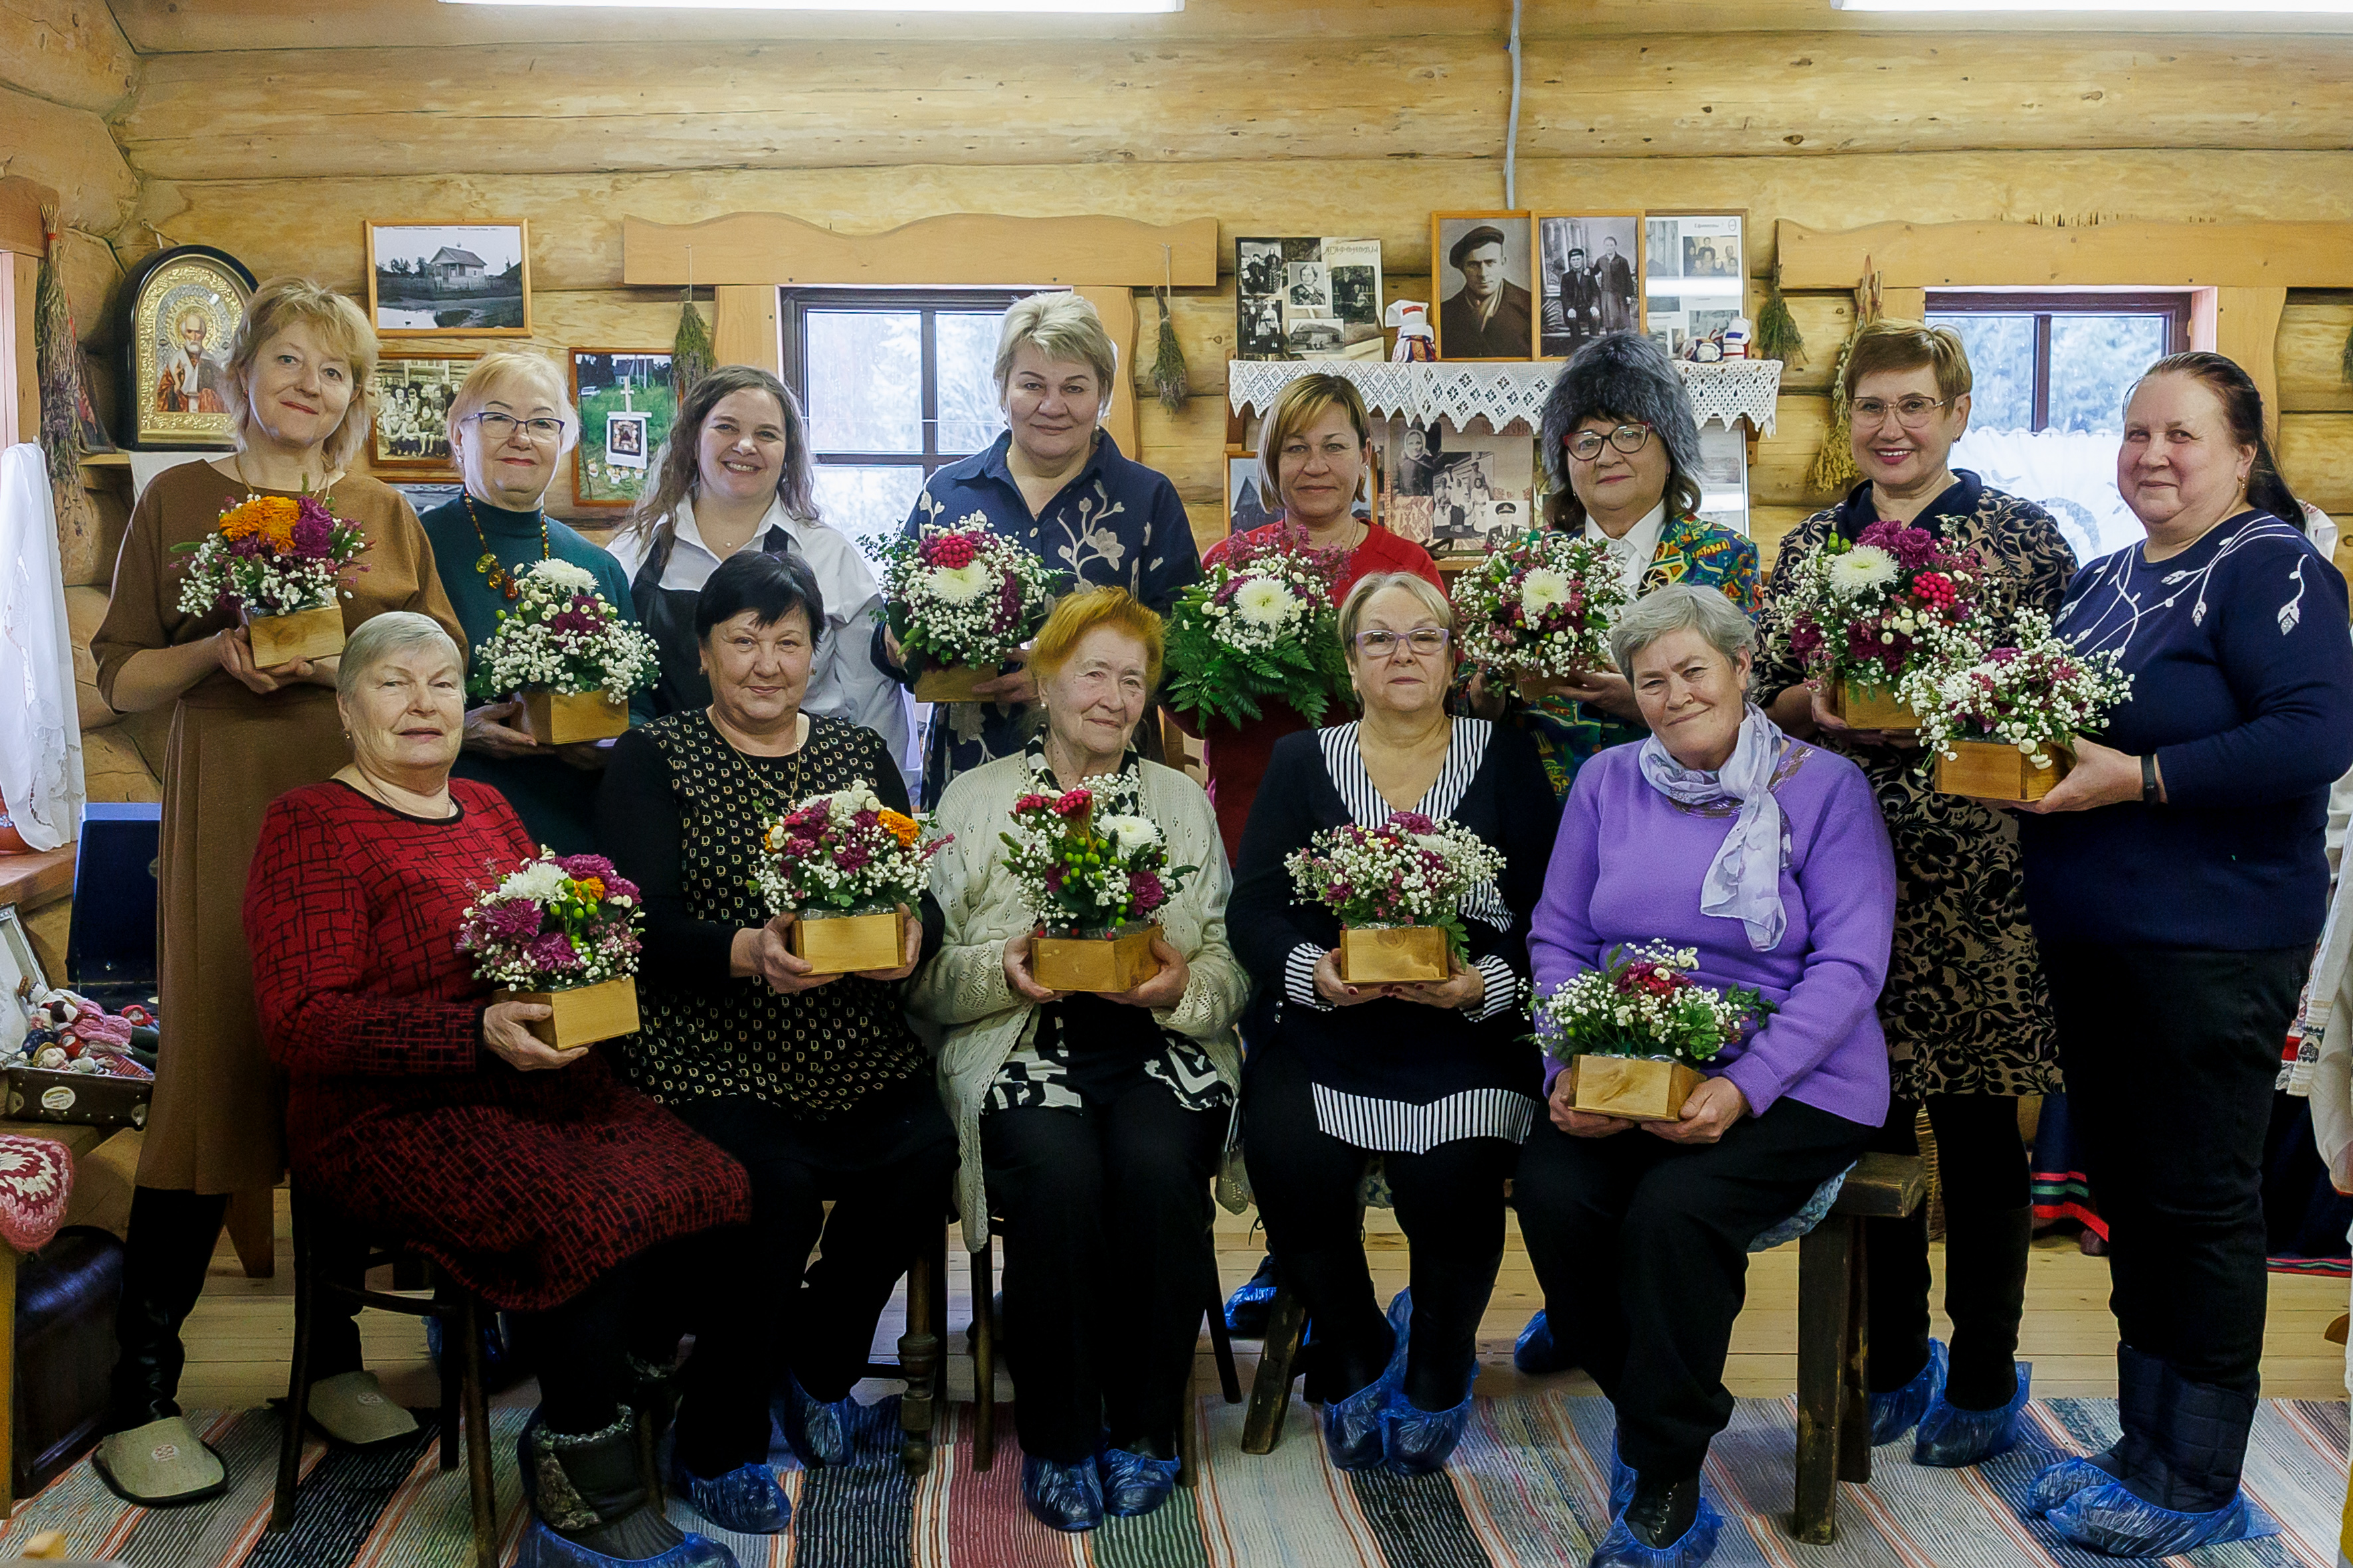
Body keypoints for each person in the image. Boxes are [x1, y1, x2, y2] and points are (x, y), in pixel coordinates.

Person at [243, 612, 751, 1568]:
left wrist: (573, 992)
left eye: (442, 682)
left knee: (711, 1181)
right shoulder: (308, 822)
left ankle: (599, 1402)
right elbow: (299, 1020)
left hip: (527, 1078)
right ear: (348, 710)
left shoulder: (486, 807)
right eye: (394, 683)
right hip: (381, 1112)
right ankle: (581, 1496)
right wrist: (472, 1031)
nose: (423, 703)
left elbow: (541, 944)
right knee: (585, 1211)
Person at [88, 277, 466, 1505]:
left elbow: (438, 662)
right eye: (291, 361)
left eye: (337, 371)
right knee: (213, 1078)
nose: (313, 386)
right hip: (229, 823)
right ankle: (140, 1392)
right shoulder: (177, 501)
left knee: (342, 1076)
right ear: (238, 372)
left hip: (360, 826)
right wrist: (220, 650)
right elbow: (126, 681)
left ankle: (333, 1356)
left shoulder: (381, 513)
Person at [2014, 352, 2353, 1555]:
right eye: (2135, 432)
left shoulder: (2274, 568)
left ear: (2242, 451)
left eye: (2182, 435)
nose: (2151, 454)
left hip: (2210, 945)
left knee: (2200, 1207)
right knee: (2137, 1205)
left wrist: (2144, 778)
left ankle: (2199, 1478)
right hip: (2098, 940)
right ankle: (2143, 1443)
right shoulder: (2107, 578)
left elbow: (2315, 734)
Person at [1517, 585, 1895, 1567]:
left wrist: (1744, 1084)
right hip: (1628, 1055)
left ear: (1740, 668)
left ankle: (1667, 1474)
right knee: (1556, 1195)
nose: (1676, 693)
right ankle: (1656, 1404)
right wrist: (1567, 1063)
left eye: (1694, 669)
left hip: (1796, 1073)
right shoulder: (1604, 783)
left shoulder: (1823, 788)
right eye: (1651, 681)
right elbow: (1558, 936)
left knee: (1673, 1215)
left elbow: (1849, 966)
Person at [1757, 320, 2077, 1468]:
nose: (1890, 428)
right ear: (1844, 422)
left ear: (1955, 413)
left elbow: (2056, 692)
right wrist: (1815, 709)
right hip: (1838, 874)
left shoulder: (2022, 541)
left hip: (1980, 871)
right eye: (1869, 408)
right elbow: (1767, 695)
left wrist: (1944, 697)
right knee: (1864, 1121)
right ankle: (1891, 1358)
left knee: (1983, 1135)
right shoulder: (1804, 549)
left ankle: (1985, 1376)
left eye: (1912, 406)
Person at [597, 549, 958, 1535]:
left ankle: (816, 1361)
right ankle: (716, 1439)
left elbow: (909, 879)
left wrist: (911, 935)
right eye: (743, 639)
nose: (766, 661)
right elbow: (637, 926)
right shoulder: (653, 756)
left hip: (850, 1034)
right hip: (707, 1039)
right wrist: (747, 951)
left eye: (788, 640)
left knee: (928, 1151)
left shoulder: (855, 753)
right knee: (774, 1188)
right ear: (703, 652)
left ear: (814, 651)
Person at [910, 586, 1248, 1532]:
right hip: (1021, 1047)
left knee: (1153, 1166)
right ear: (1045, 682)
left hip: (1158, 1051)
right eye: (1092, 672)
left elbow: (1226, 961)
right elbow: (924, 978)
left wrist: (1180, 987)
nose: (1112, 696)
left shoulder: (1180, 801)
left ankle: (1143, 1431)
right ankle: (1058, 1440)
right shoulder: (974, 799)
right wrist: (1006, 972)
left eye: (1131, 680)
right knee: (1056, 1178)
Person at [1228, 572, 1559, 1478]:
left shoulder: (1504, 755)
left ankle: (1442, 1358)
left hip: (1465, 1033)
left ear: (1455, 656)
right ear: (1349, 660)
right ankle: (1359, 1345)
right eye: (1379, 639)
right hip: (1325, 1026)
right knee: (1288, 1148)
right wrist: (1315, 974)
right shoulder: (1303, 761)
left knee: (1453, 1173)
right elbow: (1254, 909)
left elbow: (1551, 911)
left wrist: (1479, 985)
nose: (1403, 653)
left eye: (1424, 636)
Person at [876, 293, 1200, 808]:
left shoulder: (1147, 498)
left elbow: (1182, 647)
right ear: (1002, 389)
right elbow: (887, 634)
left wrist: (1057, 675)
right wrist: (898, 640)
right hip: (970, 766)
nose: (1053, 406)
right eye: (1032, 385)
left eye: (1075, 387)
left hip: (1104, 780)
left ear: (1103, 395)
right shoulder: (948, 493)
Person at [1477, 333, 1759, 808]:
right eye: (1586, 441)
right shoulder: (1525, 560)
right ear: (1565, 460)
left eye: (1629, 434)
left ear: (1670, 449)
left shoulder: (1723, 555)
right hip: (1537, 807)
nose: (1606, 457)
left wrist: (1639, 699)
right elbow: (1476, 705)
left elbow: (1751, 703)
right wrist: (1497, 685)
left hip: (1682, 804)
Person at [607, 365, 909, 782]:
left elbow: (873, 702)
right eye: (726, 427)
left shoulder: (829, 556)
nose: (745, 445)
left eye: (767, 434)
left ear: (788, 452)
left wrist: (883, 802)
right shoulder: (631, 554)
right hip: (664, 789)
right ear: (693, 439)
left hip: (806, 793)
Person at [1199, 374, 1444, 862]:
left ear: (1365, 457)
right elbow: (1192, 710)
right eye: (1295, 449)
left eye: (1334, 446)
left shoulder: (1406, 564)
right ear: (1271, 462)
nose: (1316, 466)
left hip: (1380, 814)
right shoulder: (1227, 564)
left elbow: (1437, 690)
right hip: (1249, 811)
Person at [417, 349, 651, 853]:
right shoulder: (417, 545)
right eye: (499, 417)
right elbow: (374, 698)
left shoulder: (598, 566)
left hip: (579, 829)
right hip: (449, 825)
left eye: (543, 423)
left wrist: (607, 741)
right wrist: (462, 730)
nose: (521, 437)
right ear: (460, 434)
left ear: (563, 443)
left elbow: (642, 711)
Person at [1439, 225, 1534, 361]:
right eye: (1473, 265)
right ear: (1462, 269)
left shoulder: (1530, 306)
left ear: (1503, 262)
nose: (1483, 274)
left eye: (1490, 263)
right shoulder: (1444, 313)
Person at [155, 307, 228, 414]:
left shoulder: (212, 363)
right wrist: (175, 387)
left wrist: (208, 395)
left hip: (207, 420)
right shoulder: (175, 361)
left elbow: (225, 397)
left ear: (203, 334)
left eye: (198, 332)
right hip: (181, 417)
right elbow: (160, 400)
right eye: (190, 332)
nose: (194, 337)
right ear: (184, 333)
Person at [1594, 235, 1638, 334]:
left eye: (1611, 245)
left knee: (1623, 321)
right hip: (1607, 295)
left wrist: (1629, 295)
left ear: (1615, 246)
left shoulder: (1622, 261)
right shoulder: (1601, 261)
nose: (1609, 247)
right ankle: (1609, 340)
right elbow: (1594, 272)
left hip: (1620, 295)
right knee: (1609, 321)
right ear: (1604, 247)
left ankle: (1623, 342)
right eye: (1607, 245)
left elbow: (1628, 278)